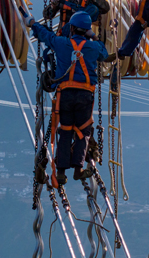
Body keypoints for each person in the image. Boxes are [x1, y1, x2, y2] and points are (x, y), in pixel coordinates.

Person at [25, 11, 109, 186]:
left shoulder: (61, 43)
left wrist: (32, 22)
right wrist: (93, 36)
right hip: (85, 96)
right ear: (87, 30)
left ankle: (61, 172)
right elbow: (104, 53)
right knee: (83, 131)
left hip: (65, 95)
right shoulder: (93, 47)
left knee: (65, 131)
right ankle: (78, 169)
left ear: (71, 28)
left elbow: (45, 35)